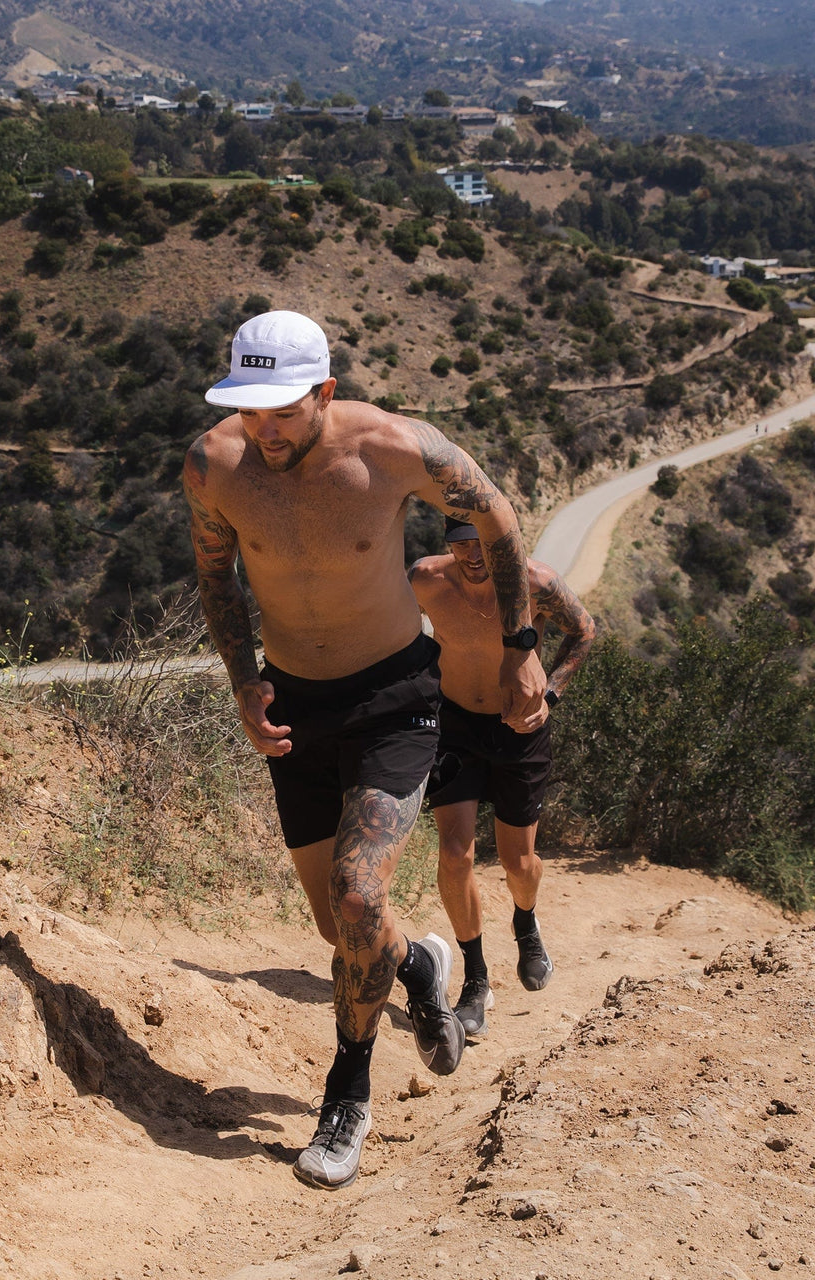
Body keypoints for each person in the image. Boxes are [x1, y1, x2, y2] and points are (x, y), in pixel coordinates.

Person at [183, 311, 546, 1191]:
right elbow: (215, 575)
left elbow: (495, 520)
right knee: (340, 926)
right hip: (294, 704)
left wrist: (521, 645)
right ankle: (421, 966)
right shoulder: (213, 465)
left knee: (356, 895)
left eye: (282, 411)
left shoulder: (392, 449)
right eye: (249, 410)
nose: (262, 431)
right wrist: (242, 682)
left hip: (394, 700)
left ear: (325, 393)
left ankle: (346, 1096)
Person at [409, 517, 595, 1040]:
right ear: (448, 542)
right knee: (455, 854)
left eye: (483, 544)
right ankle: (476, 979)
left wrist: (550, 695)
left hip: (521, 728)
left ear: (503, 543)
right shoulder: (425, 579)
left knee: (519, 862)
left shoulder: (534, 581)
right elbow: (392, 637)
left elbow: (584, 630)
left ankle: (526, 923)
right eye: (460, 543)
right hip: (455, 725)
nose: (472, 555)